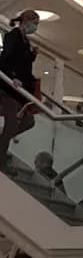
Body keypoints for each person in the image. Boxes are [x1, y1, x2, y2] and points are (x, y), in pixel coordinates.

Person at [0, 11, 40, 165]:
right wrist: (12, 76)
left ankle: (2, 145)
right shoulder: (13, 36)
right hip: (8, 88)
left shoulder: (25, 41)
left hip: (19, 91)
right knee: (11, 123)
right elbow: (4, 60)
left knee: (28, 121)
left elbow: (23, 63)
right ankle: (1, 158)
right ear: (26, 21)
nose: (35, 27)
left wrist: (33, 55)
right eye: (34, 23)